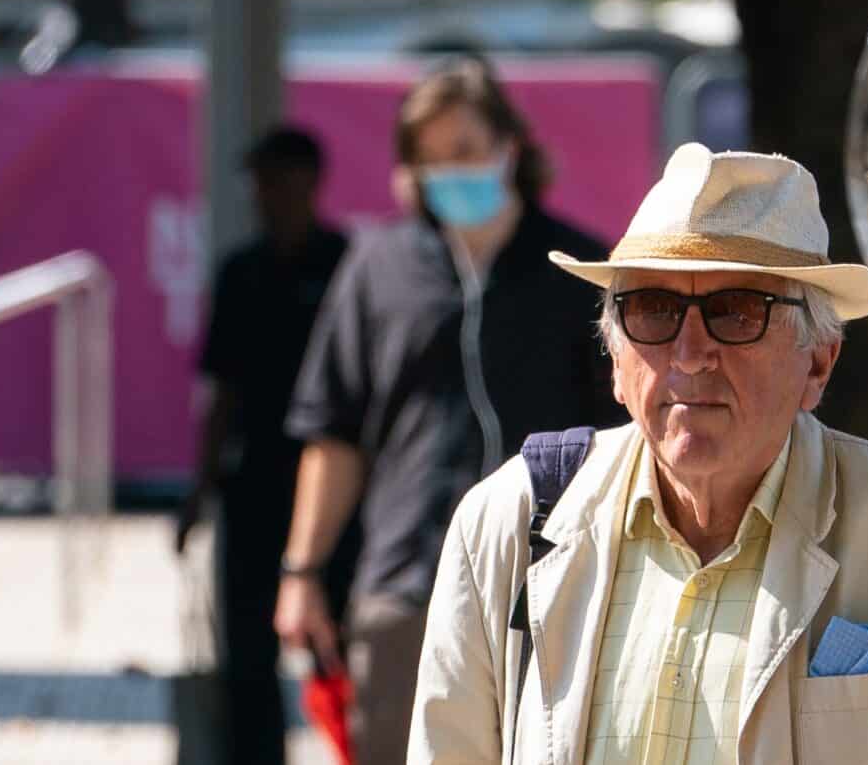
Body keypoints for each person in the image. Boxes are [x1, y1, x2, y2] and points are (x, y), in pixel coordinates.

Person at [409, 142, 868, 765]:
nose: (689, 354)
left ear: (818, 364)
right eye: (654, 311)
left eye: (739, 311)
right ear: (615, 361)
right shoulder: (509, 521)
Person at [276, 57, 620, 765]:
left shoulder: (581, 267)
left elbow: (628, 432)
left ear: (510, 148)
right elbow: (333, 434)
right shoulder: (378, 268)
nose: (449, 173)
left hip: (556, 581)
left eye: (464, 151)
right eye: (429, 160)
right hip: (406, 582)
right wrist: (302, 573)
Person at [177, 124, 354, 765]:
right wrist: (198, 492)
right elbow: (220, 392)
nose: (262, 194)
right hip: (252, 485)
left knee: (343, 646)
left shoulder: (346, 265)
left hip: (337, 494)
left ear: (309, 180)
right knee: (246, 659)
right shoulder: (240, 272)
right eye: (257, 181)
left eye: (273, 178)